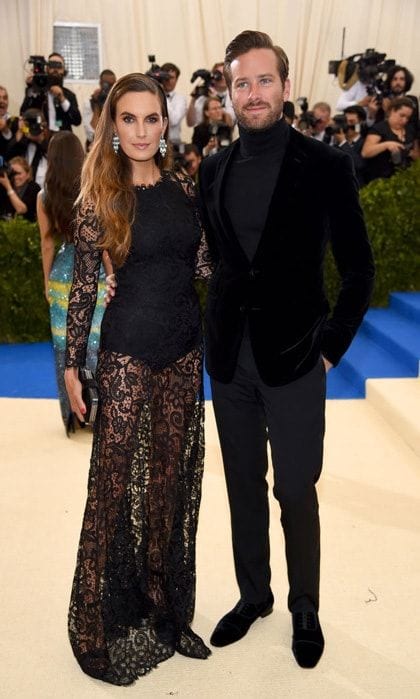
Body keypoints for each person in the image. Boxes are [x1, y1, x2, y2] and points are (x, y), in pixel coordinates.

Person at [199, 30, 375, 669]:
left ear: (286, 85)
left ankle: (306, 604)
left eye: (263, 80)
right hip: (229, 360)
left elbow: (359, 269)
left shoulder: (326, 165)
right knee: (242, 483)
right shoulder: (213, 167)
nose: (252, 93)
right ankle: (255, 596)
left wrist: (330, 347)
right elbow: (221, 264)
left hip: (298, 358)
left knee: (296, 487)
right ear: (228, 90)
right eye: (240, 82)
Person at [64, 73, 212, 685]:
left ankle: (165, 608)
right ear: (112, 126)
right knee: (111, 484)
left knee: (169, 483)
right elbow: (82, 286)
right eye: (130, 119)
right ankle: (95, 622)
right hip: (126, 352)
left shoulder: (183, 187)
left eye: (152, 119)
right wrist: (74, 363)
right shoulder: (101, 194)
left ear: (164, 122)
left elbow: (201, 262)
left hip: (183, 351)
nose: (143, 130)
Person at [37, 131, 107, 433]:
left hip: (62, 276)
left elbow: (47, 243)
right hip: (96, 273)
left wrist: (46, 282)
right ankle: (102, 412)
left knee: (65, 348)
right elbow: (106, 238)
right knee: (97, 343)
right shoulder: (95, 189)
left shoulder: (44, 197)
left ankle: (74, 415)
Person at [361, 96, 418, 183]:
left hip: (405, 179)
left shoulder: (410, 129)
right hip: (381, 180)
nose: (404, 120)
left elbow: (417, 155)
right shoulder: (379, 128)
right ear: (392, 111)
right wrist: (386, 145)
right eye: (401, 115)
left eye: (407, 117)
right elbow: (366, 152)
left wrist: (410, 153)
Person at [20, 53, 81, 132]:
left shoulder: (69, 95)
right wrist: (31, 88)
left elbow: (77, 121)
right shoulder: (36, 92)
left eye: (59, 66)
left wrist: (62, 99)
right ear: (47, 69)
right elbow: (23, 114)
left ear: (63, 70)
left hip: (62, 139)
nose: (55, 69)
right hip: (41, 139)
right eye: (52, 65)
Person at [83, 69, 117, 150]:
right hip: (95, 147)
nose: (109, 88)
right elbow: (92, 132)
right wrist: (97, 104)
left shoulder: (118, 102)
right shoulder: (89, 103)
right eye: (106, 84)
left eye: (112, 85)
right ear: (100, 83)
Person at [0, 156, 40, 221]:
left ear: (28, 174)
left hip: (27, 228)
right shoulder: (6, 185)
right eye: (12, 173)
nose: (15, 177)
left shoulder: (34, 188)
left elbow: (21, 209)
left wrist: (8, 187)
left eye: (18, 173)